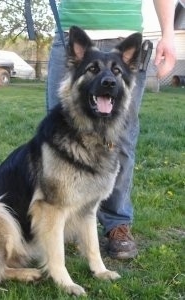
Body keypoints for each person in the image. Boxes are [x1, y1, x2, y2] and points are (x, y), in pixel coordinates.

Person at [46, 0, 176, 259]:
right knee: (59, 137)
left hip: (124, 37)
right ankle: (62, 219)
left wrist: (169, 34)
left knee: (121, 140)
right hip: (71, 34)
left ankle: (117, 224)